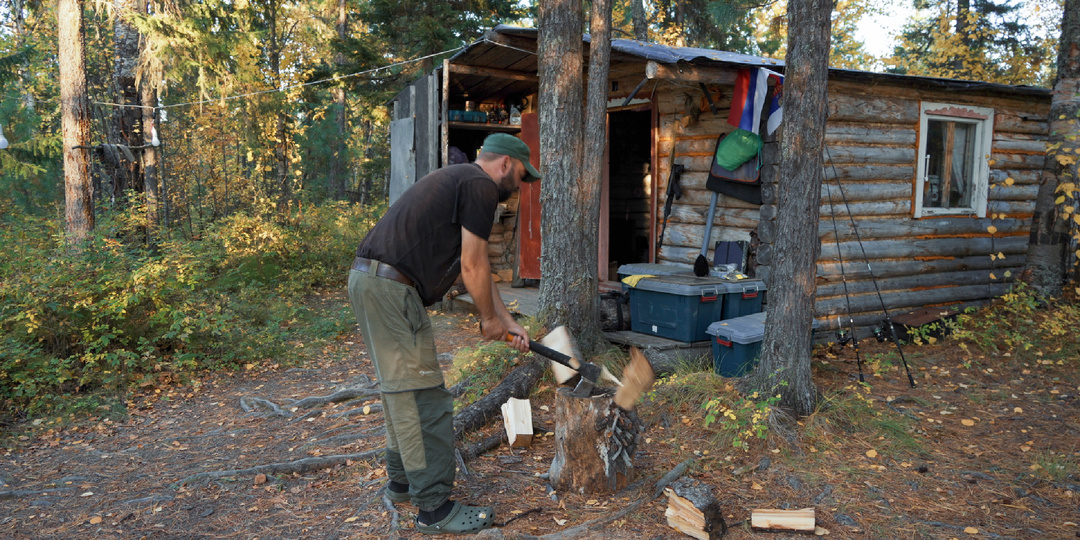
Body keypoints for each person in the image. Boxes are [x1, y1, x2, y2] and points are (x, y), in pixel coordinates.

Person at [347, 133, 540, 535]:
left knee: (402, 391)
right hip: (392, 291)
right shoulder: (480, 186)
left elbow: (480, 266)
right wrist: (488, 320)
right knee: (425, 399)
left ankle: (402, 484)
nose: (519, 186)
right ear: (505, 164)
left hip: (372, 282)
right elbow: (471, 266)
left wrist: (506, 320)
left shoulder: (462, 180)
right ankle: (433, 507)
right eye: (521, 176)